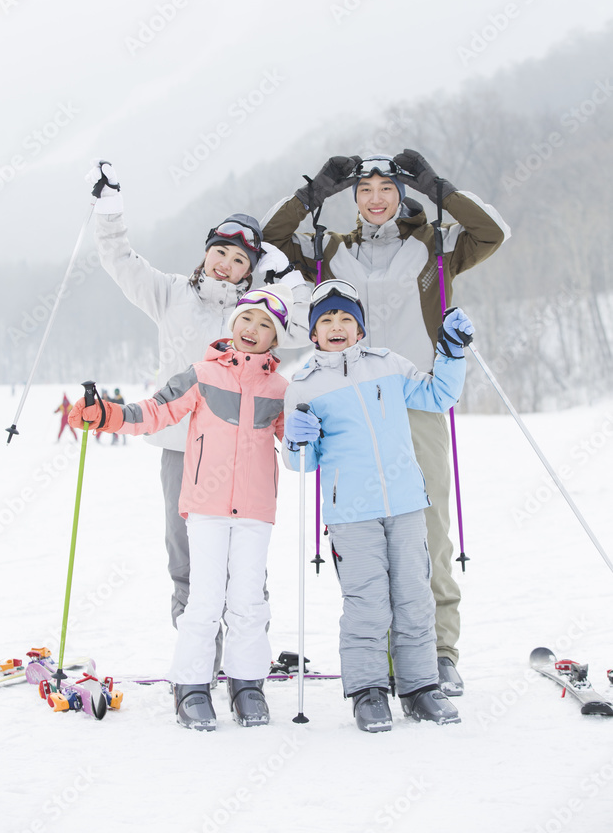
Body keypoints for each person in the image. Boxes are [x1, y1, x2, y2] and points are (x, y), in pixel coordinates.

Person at [264, 151, 510, 695]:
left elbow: (490, 232)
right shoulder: (330, 251)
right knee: (367, 536)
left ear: (402, 196)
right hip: (351, 403)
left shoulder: (434, 245)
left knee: (428, 531)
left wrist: (438, 188)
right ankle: (381, 656)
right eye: (364, 190)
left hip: (415, 396)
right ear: (352, 200)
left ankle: (438, 652)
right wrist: (312, 195)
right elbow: (270, 238)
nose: (376, 198)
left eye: (388, 189)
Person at [87, 162, 309, 676]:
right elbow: (119, 258)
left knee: (244, 563)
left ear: (251, 271)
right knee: (185, 559)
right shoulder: (169, 293)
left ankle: (247, 661)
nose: (226, 265)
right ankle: (199, 663)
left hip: (244, 454)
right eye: (220, 253)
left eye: (239, 260)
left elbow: (309, 322)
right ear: (205, 252)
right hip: (180, 449)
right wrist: (109, 209)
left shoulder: (260, 314)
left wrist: (285, 274)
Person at [70, 285, 293, 730]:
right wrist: (108, 415)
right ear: (233, 325)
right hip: (207, 507)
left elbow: (299, 446)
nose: (254, 329)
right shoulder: (201, 375)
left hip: (255, 511)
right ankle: (191, 685)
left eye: (267, 325)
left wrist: (316, 432)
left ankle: (247, 683)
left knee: (249, 601)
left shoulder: (281, 388)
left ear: (276, 339)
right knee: (205, 599)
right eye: (247, 319)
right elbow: (155, 411)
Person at [283, 280, 474, 731]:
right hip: (350, 513)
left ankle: (420, 687)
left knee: (413, 597)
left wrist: (451, 353)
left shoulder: (389, 365)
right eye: (326, 320)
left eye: (346, 318)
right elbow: (300, 462)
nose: (337, 326)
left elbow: (438, 396)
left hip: (406, 502)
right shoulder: (304, 385)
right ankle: (368, 690)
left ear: (360, 329)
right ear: (313, 333)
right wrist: (296, 438)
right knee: (367, 603)